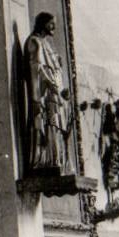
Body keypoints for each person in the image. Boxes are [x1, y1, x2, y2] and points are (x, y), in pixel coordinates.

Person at [23, 12, 74, 174]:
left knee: (57, 126)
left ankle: (56, 159)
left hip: (55, 94)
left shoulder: (47, 44)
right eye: (51, 23)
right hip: (45, 95)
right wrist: (50, 83)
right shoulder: (34, 42)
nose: (54, 27)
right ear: (43, 23)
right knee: (49, 126)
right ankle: (48, 160)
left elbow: (52, 68)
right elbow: (36, 69)